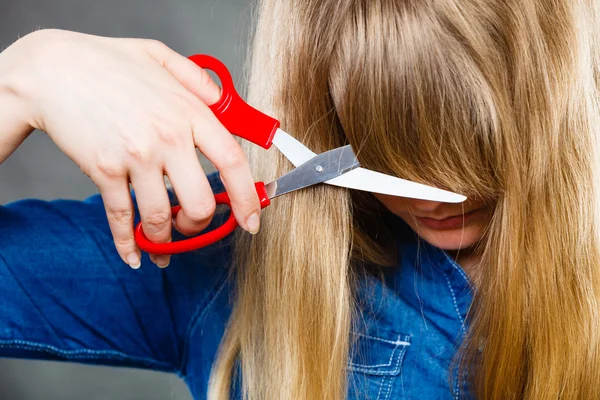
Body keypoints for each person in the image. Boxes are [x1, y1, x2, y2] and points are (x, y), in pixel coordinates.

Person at [1, 0, 599, 399]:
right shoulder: (226, 257)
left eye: (479, 143)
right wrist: (23, 78)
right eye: (388, 144)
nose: (441, 194)